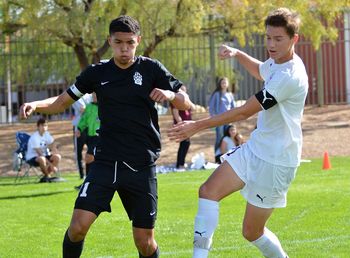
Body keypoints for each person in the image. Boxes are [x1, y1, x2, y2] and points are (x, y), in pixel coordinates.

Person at [19, 15, 192, 258]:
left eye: (130, 43)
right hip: (106, 161)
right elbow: (62, 101)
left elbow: (187, 101)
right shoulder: (96, 73)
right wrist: (36, 104)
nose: (124, 48)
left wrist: (170, 95)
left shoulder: (151, 69)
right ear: (109, 41)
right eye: (119, 42)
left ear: (138, 41)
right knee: (77, 227)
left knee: (144, 242)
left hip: (141, 164)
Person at [168, 7, 308, 257]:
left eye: (278, 39)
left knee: (252, 232)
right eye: (268, 37)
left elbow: (244, 112)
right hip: (256, 149)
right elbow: (260, 70)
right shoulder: (277, 63)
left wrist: (196, 125)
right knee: (208, 191)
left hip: (276, 161)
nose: (271, 44)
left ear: (294, 39)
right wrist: (237, 53)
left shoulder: (290, 75)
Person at [74, 93, 99, 190]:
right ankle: (89, 182)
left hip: (100, 136)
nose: (94, 97)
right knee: (90, 158)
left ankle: (88, 182)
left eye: (95, 96)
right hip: (91, 136)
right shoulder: (89, 107)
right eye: (93, 96)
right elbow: (84, 119)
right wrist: (79, 128)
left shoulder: (105, 106)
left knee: (89, 157)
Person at [25, 117, 61, 183]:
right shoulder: (34, 137)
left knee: (57, 157)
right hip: (33, 158)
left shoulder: (46, 134)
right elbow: (40, 153)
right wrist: (51, 165)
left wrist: (54, 150)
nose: (44, 127)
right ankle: (47, 176)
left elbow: (52, 144)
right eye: (42, 125)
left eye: (45, 125)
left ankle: (46, 177)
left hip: (43, 156)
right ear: (38, 126)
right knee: (42, 158)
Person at [208, 77, 235, 159]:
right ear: (220, 84)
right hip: (219, 121)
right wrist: (215, 118)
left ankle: (226, 157)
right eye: (222, 82)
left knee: (227, 138)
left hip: (228, 120)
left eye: (225, 82)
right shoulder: (217, 94)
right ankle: (217, 157)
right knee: (219, 138)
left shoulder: (230, 95)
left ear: (227, 84)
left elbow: (233, 108)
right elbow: (211, 108)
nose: (224, 84)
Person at [170, 85, 194, 171]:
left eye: (185, 90)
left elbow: (193, 107)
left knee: (185, 144)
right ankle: (180, 164)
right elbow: (176, 114)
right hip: (182, 126)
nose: (184, 92)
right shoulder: (176, 101)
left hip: (188, 126)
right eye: (182, 90)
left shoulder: (186, 102)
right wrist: (181, 125)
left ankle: (181, 163)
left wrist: (188, 99)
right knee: (184, 144)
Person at [71, 93, 93, 179]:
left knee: (91, 151)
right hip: (79, 128)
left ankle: (90, 174)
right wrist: (92, 108)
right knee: (78, 152)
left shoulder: (90, 95)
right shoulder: (76, 94)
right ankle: (81, 175)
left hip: (90, 127)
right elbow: (82, 109)